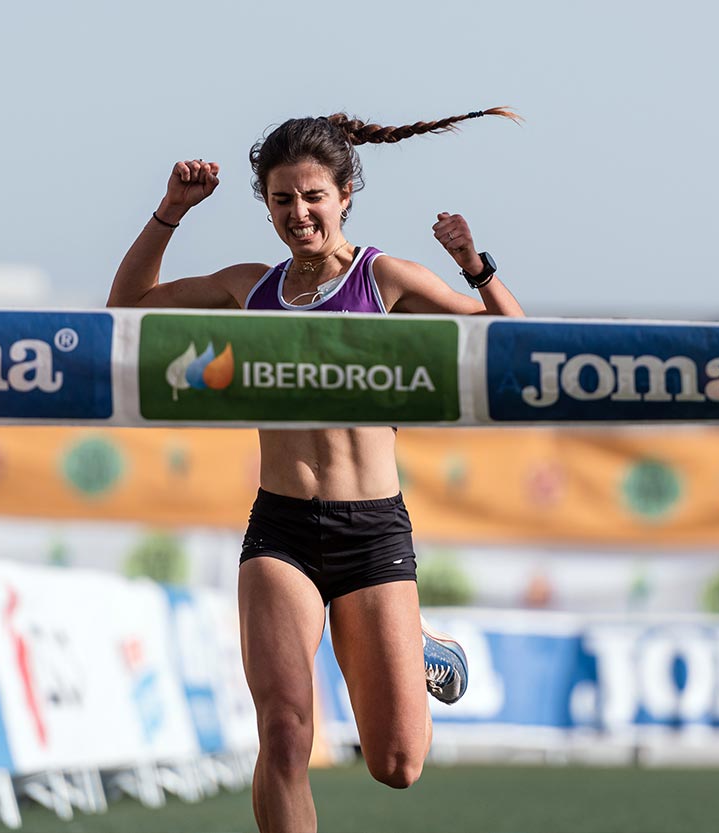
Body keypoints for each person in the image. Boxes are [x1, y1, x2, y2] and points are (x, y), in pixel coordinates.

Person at [108, 108, 525, 833]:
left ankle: (421, 646)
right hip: (282, 531)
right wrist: (170, 212)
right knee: (284, 732)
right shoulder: (250, 288)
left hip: (372, 534)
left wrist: (474, 265)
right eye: (281, 199)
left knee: (397, 762)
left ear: (345, 195)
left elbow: (515, 341)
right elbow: (127, 308)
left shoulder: (385, 278)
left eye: (312, 197)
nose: (298, 213)